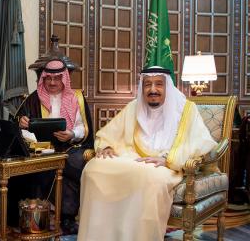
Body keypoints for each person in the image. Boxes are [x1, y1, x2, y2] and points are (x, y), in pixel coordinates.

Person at [77, 66, 217, 241]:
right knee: (94, 168)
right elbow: (110, 132)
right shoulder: (134, 107)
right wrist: (106, 146)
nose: (152, 90)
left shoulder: (186, 110)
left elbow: (199, 142)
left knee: (150, 178)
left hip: (166, 165)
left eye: (159, 84)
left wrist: (168, 159)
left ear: (168, 87)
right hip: (133, 157)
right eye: (147, 84)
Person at [8, 59, 94, 234]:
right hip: (39, 149)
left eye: (57, 78)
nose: (53, 82)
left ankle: (67, 218)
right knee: (33, 168)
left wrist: (71, 134)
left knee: (69, 164)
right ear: (43, 79)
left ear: (64, 79)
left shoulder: (76, 97)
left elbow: (83, 128)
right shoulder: (34, 98)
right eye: (48, 78)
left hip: (70, 147)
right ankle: (34, 217)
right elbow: (18, 124)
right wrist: (22, 122)